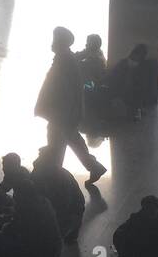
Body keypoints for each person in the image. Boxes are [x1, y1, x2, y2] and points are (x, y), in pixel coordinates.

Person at [36, 26, 107, 183]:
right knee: (71, 140)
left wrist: (63, 113)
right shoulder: (65, 57)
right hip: (64, 113)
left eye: (55, 40)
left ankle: (55, 173)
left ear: (60, 43)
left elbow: (66, 91)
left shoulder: (64, 61)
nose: (52, 43)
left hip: (62, 113)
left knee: (57, 142)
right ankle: (93, 167)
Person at [30, 145, 85, 242]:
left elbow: (64, 205)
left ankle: (67, 230)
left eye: (41, 156)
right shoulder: (42, 170)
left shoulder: (59, 178)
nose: (38, 159)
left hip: (68, 213)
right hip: (65, 209)